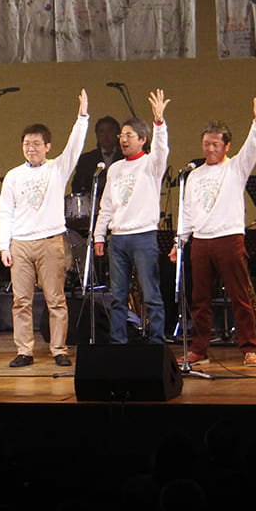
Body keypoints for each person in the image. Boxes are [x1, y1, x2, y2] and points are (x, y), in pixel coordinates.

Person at [172, 92, 256, 367]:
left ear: (226, 146)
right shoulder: (194, 175)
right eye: (206, 144)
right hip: (201, 241)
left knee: (240, 295)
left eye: (215, 144)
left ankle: (249, 348)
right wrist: (180, 242)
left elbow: (252, 148)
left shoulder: (235, 168)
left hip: (229, 238)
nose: (210, 149)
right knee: (200, 299)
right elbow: (186, 212)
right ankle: (199, 350)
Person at [0, 90, 89, 368]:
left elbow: (74, 147)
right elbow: (5, 211)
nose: (31, 149)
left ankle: (59, 349)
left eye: (36, 144)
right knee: (21, 301)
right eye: (26, 144)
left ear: (48, 146)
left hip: (51, 242)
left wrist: (82, 117)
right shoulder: (14, 175)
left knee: (55, 300)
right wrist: (4, 245)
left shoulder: (57, 169)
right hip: (21, 244)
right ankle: (24, 350)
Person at [94, 90, 171, 345]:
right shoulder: (115, 169)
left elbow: (162, 149)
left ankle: (157, 341)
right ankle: (118, 343)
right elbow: (106, 205)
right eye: (122, 135)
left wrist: (159, 122)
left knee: (151, 293)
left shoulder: (151, 164)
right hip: (118, 240)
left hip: (143, 237)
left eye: (129, 135)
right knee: (118, 296)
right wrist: (99, 235)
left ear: (143, 140)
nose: (123, 140)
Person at [71, 115, 122, 195]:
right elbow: (76, 186)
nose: (106, 136)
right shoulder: (86, 160)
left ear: (117, 134)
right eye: (101, 131)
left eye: (110, 131)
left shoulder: (125, 157)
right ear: (97, 135)